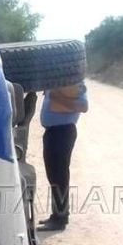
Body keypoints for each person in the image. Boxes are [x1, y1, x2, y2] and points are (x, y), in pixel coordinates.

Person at [37, 82, 88, 231]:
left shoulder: (74, 83)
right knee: (53, 175)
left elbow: (84, 106)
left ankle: (60, 218)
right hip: (52, 132)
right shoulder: (55, 83)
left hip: (63, 131)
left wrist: (57, 97)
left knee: (59, 175)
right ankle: (56, 215)